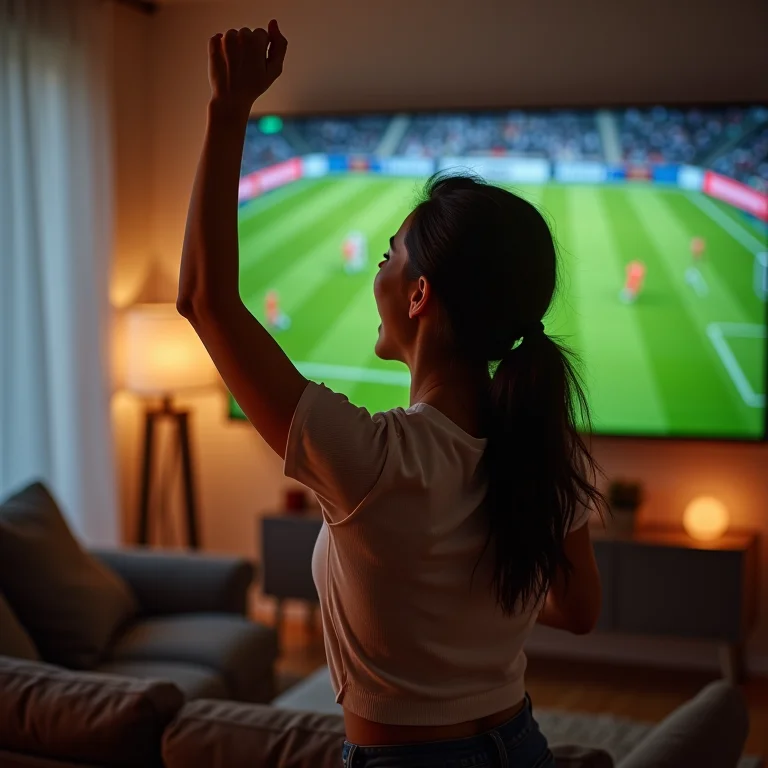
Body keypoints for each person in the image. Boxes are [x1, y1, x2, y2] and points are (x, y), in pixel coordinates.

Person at [177, 22, 604, 768]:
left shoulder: (369, 460)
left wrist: (227, 109)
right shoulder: (541, 444)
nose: (375, 273)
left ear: (417, 296)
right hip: (522, 747)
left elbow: (205, 302)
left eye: (387, 257)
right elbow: (579, 610)